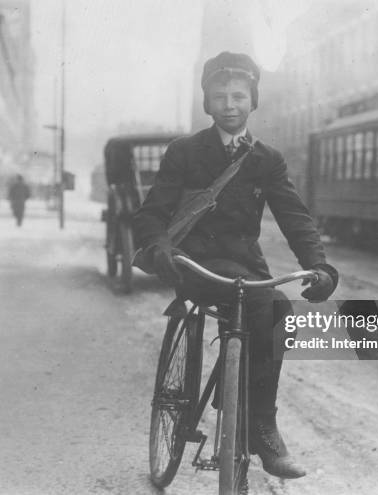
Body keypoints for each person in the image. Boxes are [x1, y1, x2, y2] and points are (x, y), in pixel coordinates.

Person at [134, 52, 338, 478]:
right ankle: (250, 422)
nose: (230, 105)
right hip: (195, 265)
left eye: (239, 96)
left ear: (253, 101)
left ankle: (259, 423)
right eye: (220, 96)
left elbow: (295, 217)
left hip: (246, 269)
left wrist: (318, 266)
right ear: (207, 104)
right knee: (263, 304)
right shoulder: (185, 152)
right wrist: (159, 248)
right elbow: (153, 211)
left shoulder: (267, 159)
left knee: (278, 308)